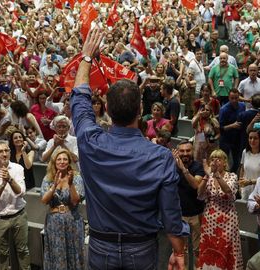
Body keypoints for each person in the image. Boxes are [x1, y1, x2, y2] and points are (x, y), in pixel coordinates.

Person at [70, 29, 188, 270]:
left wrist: (86, 58)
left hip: (100, 246)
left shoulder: (90, 142)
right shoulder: (161, 157)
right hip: (142, 248)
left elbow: (79, 98)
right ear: (140, 109)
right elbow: (170, 211)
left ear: (108, 110)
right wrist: (178, 250)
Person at [0, 140, 30, 270]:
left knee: (23, 250)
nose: (4, 154)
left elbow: (21, 192)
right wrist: (3, 184)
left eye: (7, 150)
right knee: (2, 253)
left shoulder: (18, 168)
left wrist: (9, 179)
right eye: (0, 151)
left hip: (18, 215)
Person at [197, 149, 243, 270]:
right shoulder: (208, 176)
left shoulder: (232, 176)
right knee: (210, 250)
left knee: (226, 249)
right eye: (212, 159)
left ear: (225, 162)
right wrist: (207, 176)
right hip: (209, 222)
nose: (215, 161)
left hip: (227, 221)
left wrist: (216, 175)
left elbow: (228, 192)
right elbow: (200, 194)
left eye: (218, 159)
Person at [40, 148, 85, 270]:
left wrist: (70, 184)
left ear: (69, 162)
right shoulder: (48, 178)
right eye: (59, 159)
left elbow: (75, 201)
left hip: (72, 220)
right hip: (54, 223)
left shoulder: (76, 178)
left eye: (65, 159)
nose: (62, 161)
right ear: (54, 162)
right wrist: (54, 185)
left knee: (74, 251)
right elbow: (44, 200)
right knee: (56, 253)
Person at [172, 141, 205, 267]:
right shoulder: (172, 166)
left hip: (197, 214)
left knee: (199, 250)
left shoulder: (198, 167)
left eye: (188, 150)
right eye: (182, 151)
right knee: (180, 251)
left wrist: (183, 169)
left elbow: (195, 185)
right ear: (177, 152)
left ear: (193, 152)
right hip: (179, 214)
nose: (185, 153)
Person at [219, 89, 245, 173]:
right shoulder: (223, 109)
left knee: (237, 161)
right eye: (232, 98)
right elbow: (220, 128)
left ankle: (232, 176)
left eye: (236, 98)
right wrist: (232, 126)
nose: (234, 100)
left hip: (237, 138)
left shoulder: (242, 106)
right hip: (226, 139)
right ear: (229, 98)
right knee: (223, 161)